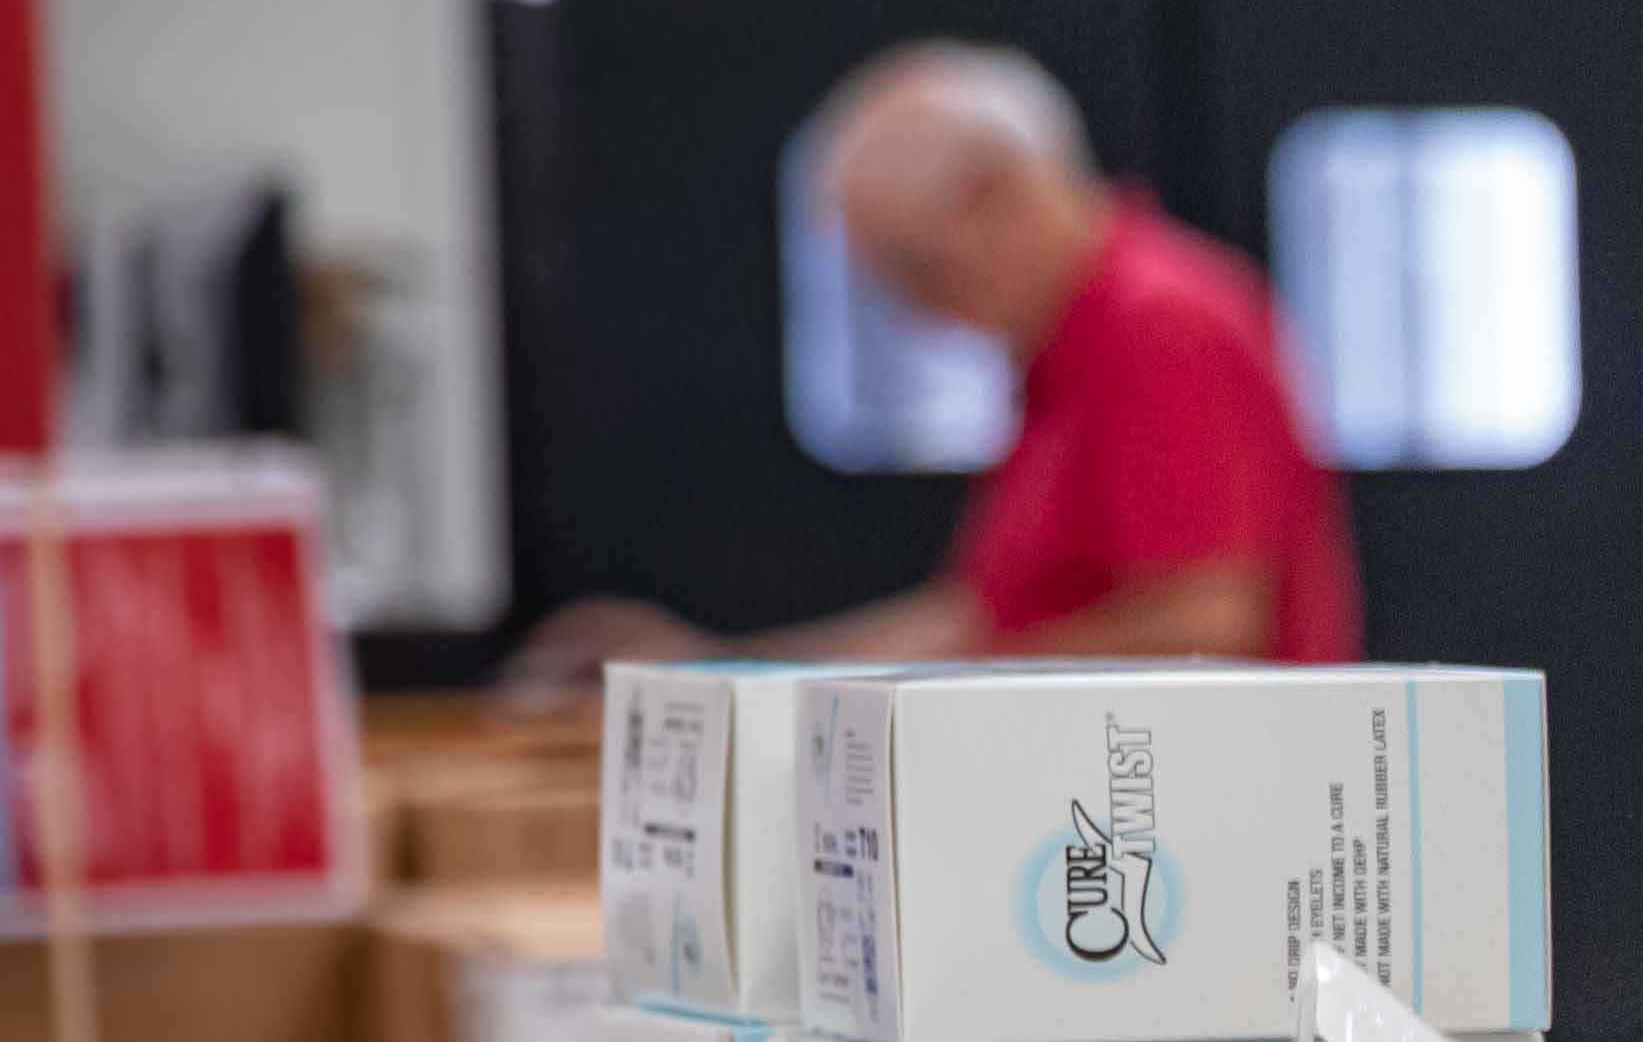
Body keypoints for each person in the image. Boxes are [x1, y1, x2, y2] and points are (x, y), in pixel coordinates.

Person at [510, 42, 1358, 680]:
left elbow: (1205, 623)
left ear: (997, 197)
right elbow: (980, 619)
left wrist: (933, 697)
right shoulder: (1060, 353)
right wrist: (727, 669)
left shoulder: (1160, 326)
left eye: (918, 270)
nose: (920, 313)